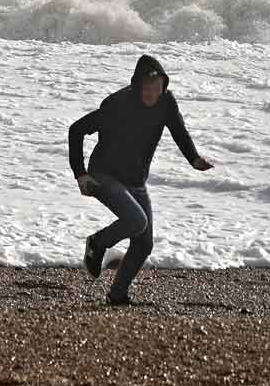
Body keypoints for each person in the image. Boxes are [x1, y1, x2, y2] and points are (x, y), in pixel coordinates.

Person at [68, 55, 212, 304]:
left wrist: (194, 159)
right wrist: (81, 174)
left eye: (156, 89)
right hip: (104, 174)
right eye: (147, 89)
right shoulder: (117, 104)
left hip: (136, 180)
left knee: (144, 243)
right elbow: (76, 130)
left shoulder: (166, 102)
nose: (151, 95)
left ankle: (118, 294)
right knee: (136, 220)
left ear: (163, 86)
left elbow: (178, 130)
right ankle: (96, 243)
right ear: (137, 86)